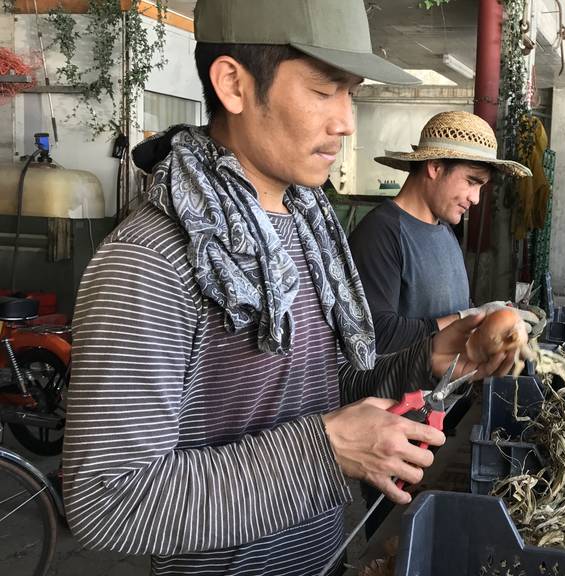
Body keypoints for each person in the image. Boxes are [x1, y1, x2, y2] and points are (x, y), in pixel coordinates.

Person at [62, 1, 515, 575]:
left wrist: (431, 358)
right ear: (233, 84)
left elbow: (327, 394)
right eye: (325, 89)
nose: (347, 120)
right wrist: (324, 452)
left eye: (350, 92)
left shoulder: (307, 228)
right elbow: (106, 500)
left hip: (327, 554)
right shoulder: (150, 261)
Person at [349, 111, 536, 355]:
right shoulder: (380, 234)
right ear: (435, 167)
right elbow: (378, 334)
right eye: (471, 181)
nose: (476, 199)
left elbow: (452, 307)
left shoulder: (446, 231)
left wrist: (487, 320)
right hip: (401, 393)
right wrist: (465, 318)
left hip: (450, 388)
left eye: (481, 187)